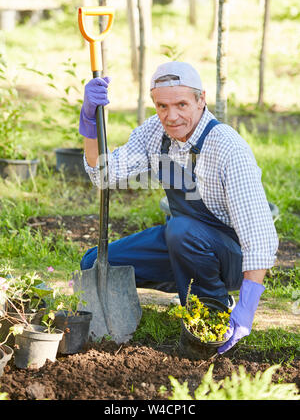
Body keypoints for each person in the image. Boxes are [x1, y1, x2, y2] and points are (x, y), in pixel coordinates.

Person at [78, 61, 278, 353]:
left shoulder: (227, 148)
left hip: (232, 255)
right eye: (162, 106)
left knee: (182, 231)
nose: (171, 116)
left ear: (201, 99)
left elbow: (260, 238)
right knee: (95, 263)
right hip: (184, 240)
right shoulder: (154, 133)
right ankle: (186, 288)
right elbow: (104, 174)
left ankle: (213, 310)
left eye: (181, 104)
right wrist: (89, 123)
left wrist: (247, 309)